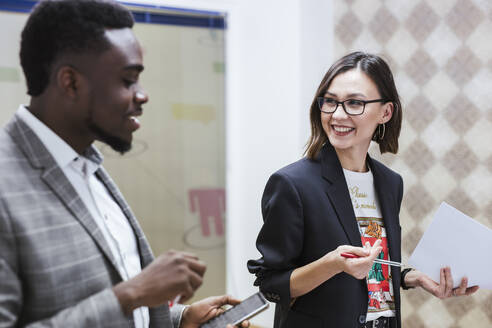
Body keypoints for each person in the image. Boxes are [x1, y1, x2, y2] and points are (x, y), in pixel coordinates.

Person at [0, 1, 248, 327]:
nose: (142, 95)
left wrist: (179, 319)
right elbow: (126, 299)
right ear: (70, 82)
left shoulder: (88, 166)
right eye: (128, 80)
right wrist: (132, 294)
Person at [247, 52, 479, 328]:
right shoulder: (292, 184)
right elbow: (270, 285)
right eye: (330, 102)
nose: (338, 114)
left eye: (355, 103)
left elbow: (371, 265)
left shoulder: (390, 183)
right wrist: (333, 263)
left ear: (386, 112)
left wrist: (409, 277)